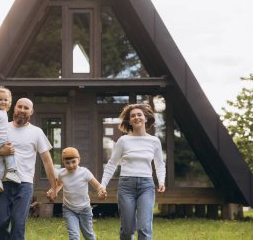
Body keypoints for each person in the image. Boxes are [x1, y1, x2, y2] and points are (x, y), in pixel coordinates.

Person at [0, 98, 57, 240]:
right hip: (2, 184)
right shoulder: (1, 128)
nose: (22, 110)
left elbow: (47, 161)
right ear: (14, 108)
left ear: (31, 112)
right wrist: (1, 152)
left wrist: (53, 187)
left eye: (26, 108)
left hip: (24, 184)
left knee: (18, 223)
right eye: (20, 107)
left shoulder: (37, 132)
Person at [100, 103, 166, 240]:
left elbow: (159, 164)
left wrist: (161, 181)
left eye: (139, 115)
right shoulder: (123, 141)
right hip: (126, 186)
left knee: (144, 227)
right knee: (128, 229)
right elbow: (112, 164)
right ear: (129, 121)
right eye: (133, 116)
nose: (136, 117)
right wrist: (103, 184)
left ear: (146, 118)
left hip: (146, 186)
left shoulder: (154, 141)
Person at [48, 147, 106, 240]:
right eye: (67, 163)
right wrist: (54, 191)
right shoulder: (62, 174)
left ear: (79, 160)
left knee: (88, 235)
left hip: (85, 209)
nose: (70, 165)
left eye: (73, 162)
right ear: (63, 162)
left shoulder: (84, 172)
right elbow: (59, 184)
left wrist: (101, 191)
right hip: (69, 209)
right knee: (74, 236)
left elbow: (98, 186)